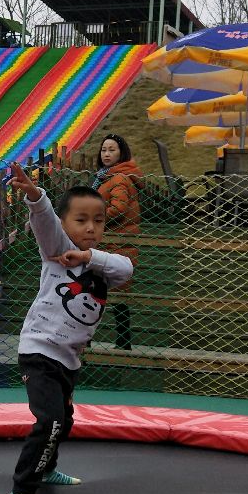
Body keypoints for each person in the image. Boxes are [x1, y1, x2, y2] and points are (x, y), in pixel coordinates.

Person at [7, 162, 133, 494]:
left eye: (98, 220)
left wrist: (89, 256)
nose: (91, 228)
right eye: (81, 220)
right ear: (65, 225)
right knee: (50, 421)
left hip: (69, 358)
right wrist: (35, 196)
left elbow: (127, 269)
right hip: (39, 351)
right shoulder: (55, 250)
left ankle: (47, 469)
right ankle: (21, 490)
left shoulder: (104, 266)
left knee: (65, 418)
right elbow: (45, 219)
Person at [91, 134, 143, 349]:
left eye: (112, 150)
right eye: (104, 150)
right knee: (112, 294)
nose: (107, 154)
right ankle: (122, 341)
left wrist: (92, 215)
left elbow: (118, 209)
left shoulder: (119, 178)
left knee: (99, 293)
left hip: (116, 244)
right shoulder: (107, 177)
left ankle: (94, 339)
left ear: (122, 153)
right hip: (112, 243)